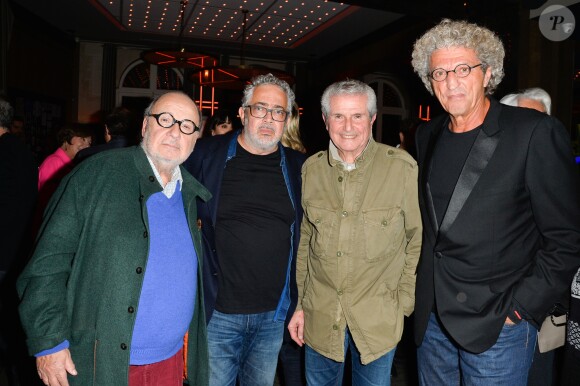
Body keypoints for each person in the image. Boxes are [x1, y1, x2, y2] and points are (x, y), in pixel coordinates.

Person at [410, 19, 580, 385]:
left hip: (497, 326)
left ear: (487, 73)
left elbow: (566, 238)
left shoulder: (532, 132)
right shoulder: (428, 134)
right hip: (433, 321)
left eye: (463, 69)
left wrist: (519, 310)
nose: (451, 81)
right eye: (439, 72)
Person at [17, 91, 210, 386]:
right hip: (103, 363)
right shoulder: (95, 175)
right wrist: (48, 342)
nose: (175, 132)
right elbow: (46, 265)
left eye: (187, 126)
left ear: (196, 138)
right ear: (145, 126)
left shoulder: (188, 192)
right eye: (166, 119)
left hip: (170, 361)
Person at [287, 79, 422, 386]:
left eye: (357, 116)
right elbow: (305, 243)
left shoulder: (402, 168)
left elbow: (418, 240)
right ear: (325, 120)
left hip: (378, 320)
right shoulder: (311, 170)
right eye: (338, 116)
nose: (347, 126)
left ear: (372, 118)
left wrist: (402, 303)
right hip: (320, 315)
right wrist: (300, 305)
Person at [184, 73, 305, 386]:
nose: (268, 119)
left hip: (273, 316)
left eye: (278, 111)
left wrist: (300, 302)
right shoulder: (203, 156)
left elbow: (311, 239)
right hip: (217, 313)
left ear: (287, 119)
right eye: (259, 109)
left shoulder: (301, 167)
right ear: (242, 112)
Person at [501, 87, 562, 386]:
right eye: (527, 120)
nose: (536, 131)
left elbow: (563, 244)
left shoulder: (557, 177)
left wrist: (522, 306)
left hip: (537, 309)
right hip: (500, 312)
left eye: (542, 121)